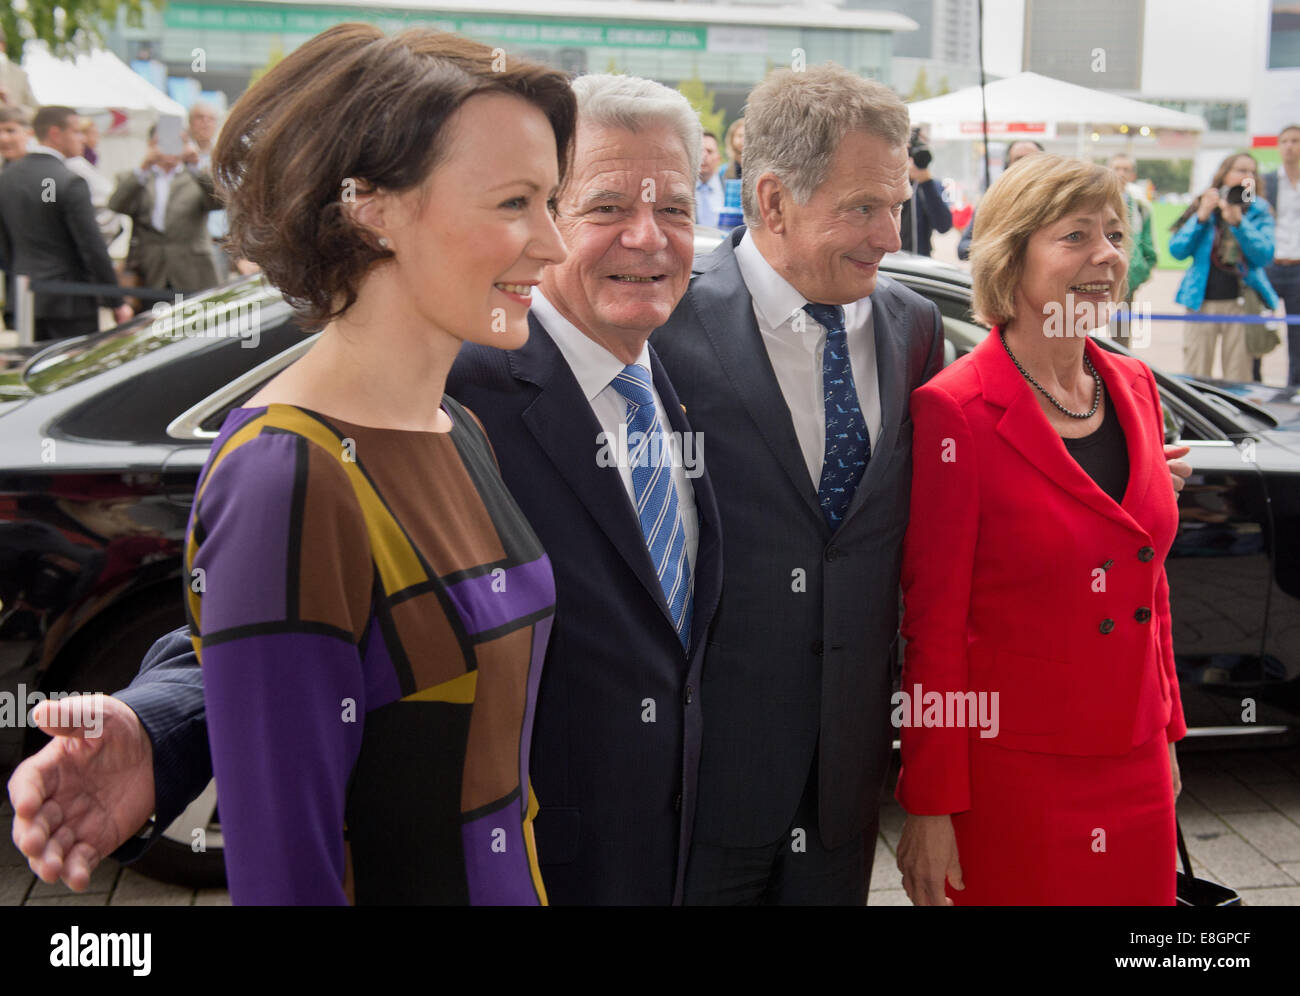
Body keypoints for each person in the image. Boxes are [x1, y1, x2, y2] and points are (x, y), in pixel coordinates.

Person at [9, 70, 724, 906]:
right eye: (578, 206)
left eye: (676, 207)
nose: (559, 240)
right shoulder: (431, 396)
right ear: (372, 208)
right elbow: (294, 652)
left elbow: (400, 642)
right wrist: (165, 726)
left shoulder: (475, 417)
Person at [895, 154, 1186, 905]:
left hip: (1139, 758)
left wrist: (1169, 731)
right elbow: (934, 627)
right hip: (1016, 779)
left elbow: (1146, 580)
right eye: (1076, 235)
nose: (1108, 256)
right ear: (1010, 256)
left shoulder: (1135, 387)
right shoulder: (954, 410)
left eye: (1116, 234)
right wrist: (930, 803)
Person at [0, 105, 130, 340]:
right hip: (70, 303)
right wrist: (116, 301)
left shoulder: (6, 179)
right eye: (76, 131)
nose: (82, 138)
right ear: (55, 133)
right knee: (74, 375)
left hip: (25, 300)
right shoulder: (71, 181)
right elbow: (92, 248)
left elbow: (6, 248)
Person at [1170, 151, 1278, 382]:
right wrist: (1201, 216)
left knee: (1238, 374)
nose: (1247, 175)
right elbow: (1177, 250)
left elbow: (1264, 256)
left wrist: (1239, 222)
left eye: (1252, 171)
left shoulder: (1259, 208)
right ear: (1224, 174)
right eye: (1241, 170)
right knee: (1196, 371)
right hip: (1201, 300)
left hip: (1241, 302)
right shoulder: (1205, 202)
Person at [108, 123, 223, 297]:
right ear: (151, 145)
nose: (170, 149)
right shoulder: (137, 178)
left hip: (193, 270)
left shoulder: (195, 177)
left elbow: (219, 202)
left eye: (176, 142)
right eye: (162, 142)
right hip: (151, 271)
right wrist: (144, 167)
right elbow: (117, 205)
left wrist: (196, 166)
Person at [957, 139, 1043, 261]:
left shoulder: (1058, 202)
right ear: (1007, 166)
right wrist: (997, 246)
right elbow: (963, 248)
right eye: (1018, 159)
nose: (1025, 165)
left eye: (1031, 159)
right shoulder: (992, 201)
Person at [1263, 123, 1300, 385]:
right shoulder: (1264, 181)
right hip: (1270, 265)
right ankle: (1253, 383)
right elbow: (1244, 212)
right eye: (1285, 140)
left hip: (1298, 266)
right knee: (1257, 328)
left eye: (1296, 140)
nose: (1290, 146)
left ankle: (1294, 386)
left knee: (1297, 332)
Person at [1109, 155, 1159, 306]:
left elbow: (1148, 241)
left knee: (1121, 327)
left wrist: (1142, 269)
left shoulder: (1140, 206)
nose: (1121, 173)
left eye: (1126, 169)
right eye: (1116, 168)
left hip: (1128, 277)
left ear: (1133, 175)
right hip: (1097, 272)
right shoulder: (1094, 201)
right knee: (1087, 321)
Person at [899, 128, 952, 257]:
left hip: (919, 265)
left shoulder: (930, 186)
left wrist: (926, 183)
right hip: (891, 264)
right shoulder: (887, 184)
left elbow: (943, 226)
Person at [696, 129, 723, 228]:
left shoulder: (728, 189)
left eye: (709, 151)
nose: (704, 156)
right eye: (700, 151)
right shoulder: (682, 189)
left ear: (719, 158)